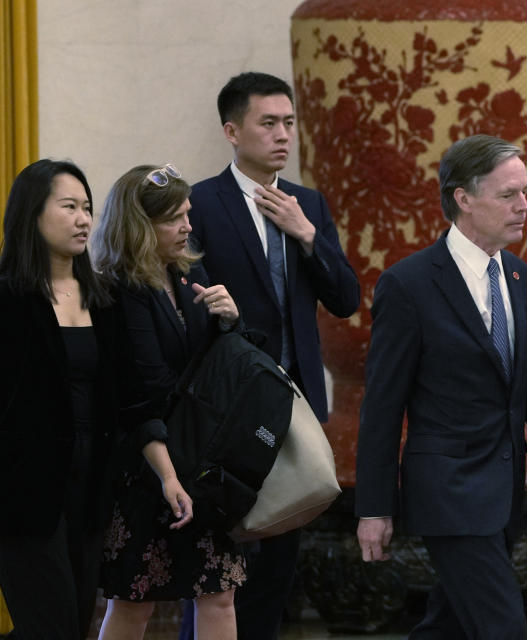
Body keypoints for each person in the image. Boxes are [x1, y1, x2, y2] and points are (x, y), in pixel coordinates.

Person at [355, 134, 527, 639]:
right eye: (509, 195)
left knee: (447, 627)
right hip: (448, 493)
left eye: (526, 191)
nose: (525, 206)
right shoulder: (408, 285)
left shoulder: (519, 277)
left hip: (502, 497)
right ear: (463, 198)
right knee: (503, 629)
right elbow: (382, 408)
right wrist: (374, 506)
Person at [185, 71, 360, 640]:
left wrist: (308, 235)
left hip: (298, 402)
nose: (283, 134)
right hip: (230, 403)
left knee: (281, 555)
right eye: (269, 123)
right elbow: (189, 298)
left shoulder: (306, 203)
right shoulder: (201, 203)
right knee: (219, 559)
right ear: (232, 131)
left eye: (289, 123)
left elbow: (346, 298)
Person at [0, 159, 158, 639]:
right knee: (51, 625)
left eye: (87, 207)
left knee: (73, 622)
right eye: (69, 206)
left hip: (92, 490)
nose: (84, 219)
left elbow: (131, 396)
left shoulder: (104, 298)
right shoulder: (8, 299)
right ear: (32, 213)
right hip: (24, 492)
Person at [91, 164, 244, 640]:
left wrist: (229, 320)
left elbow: (214, 366)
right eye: (174, 219)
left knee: (219, 592)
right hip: (147, 467)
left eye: (188, 214)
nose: (188, 227)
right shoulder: (118, 287)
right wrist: (168, 475)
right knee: (135, 600)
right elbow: (142, 393)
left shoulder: (186, 271)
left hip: (201, 459)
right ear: (140, 226)